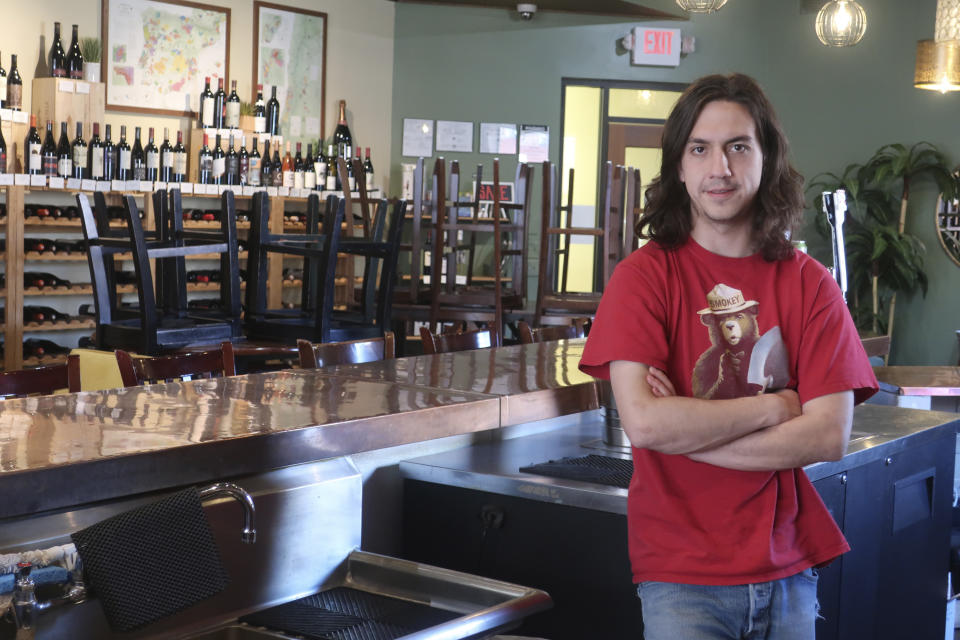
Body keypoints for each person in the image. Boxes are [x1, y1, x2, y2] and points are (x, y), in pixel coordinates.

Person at [579, 73, 878, 639]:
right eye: (700, 148)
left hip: (789, 566)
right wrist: (776, 408)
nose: (719, 167)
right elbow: (644, 423)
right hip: (680, 574)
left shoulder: (810, 284)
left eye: (738, 146)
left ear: (766, 159)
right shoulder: (642, 279)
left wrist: (686, 432)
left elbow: (827, 436)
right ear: (680, 166)